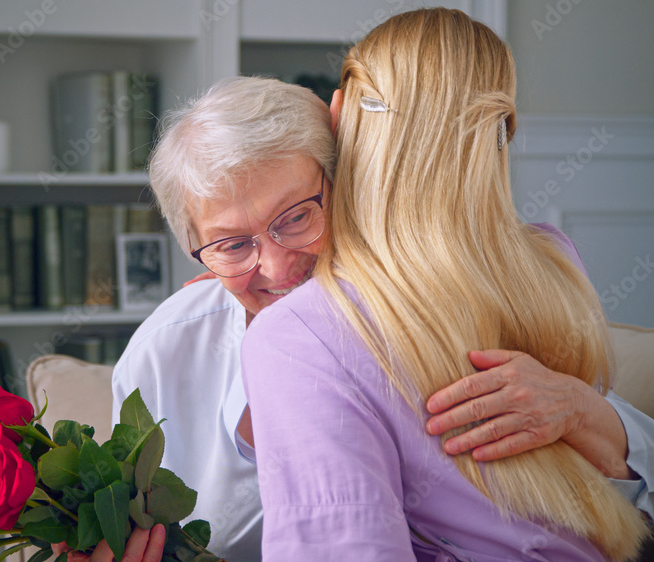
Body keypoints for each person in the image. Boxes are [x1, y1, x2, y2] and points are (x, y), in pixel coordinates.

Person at [114, 71, 654, 562]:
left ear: (346, 187)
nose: (278, 267)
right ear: (194, 249)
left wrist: (584, 411)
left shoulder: (444, 302)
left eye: (297, 216)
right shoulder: (164, 350)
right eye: (232, 245)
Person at [239, 8, 648, 561]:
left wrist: (582, 410)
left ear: (337, 118)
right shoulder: (553, 262)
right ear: (498, 134)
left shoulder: (296, 337)